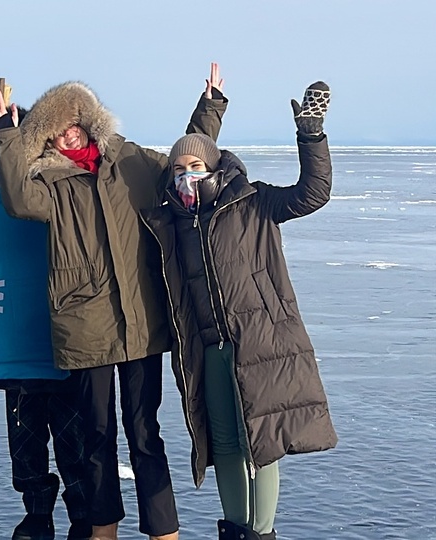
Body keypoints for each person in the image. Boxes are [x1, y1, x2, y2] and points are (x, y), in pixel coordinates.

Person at [0, 63, 228, 540]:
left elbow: (186, 161)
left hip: (140, 321)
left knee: (144, 434)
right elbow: (14, 199)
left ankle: (163, 531)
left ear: (88, 123)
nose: (68, 136)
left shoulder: (132, 162)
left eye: (74, 124)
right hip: (84, 326)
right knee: (94, 437)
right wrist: (1, 133)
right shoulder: (50, 185)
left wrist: (210, 108)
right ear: (48, 140)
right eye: (56, 131)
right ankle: (103, 529)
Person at [140, 82, 338, 540]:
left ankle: (261, 532)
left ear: (213, 168)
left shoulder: (254, 201)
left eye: (195, 166)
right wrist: (208, 107)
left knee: (262, 444)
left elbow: (314, 193)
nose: (186, 175)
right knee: (225, 444)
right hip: (207, 349)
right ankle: (235, 529)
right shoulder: (173, 222)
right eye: (178, 169)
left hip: (260, 342)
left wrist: (311, 136)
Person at [0, 110, 92, 540]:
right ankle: (37, 510)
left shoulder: (63, 190)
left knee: (72, 433)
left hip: (65, 333)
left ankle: (81, 510)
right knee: (24, 436)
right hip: (14, 335)